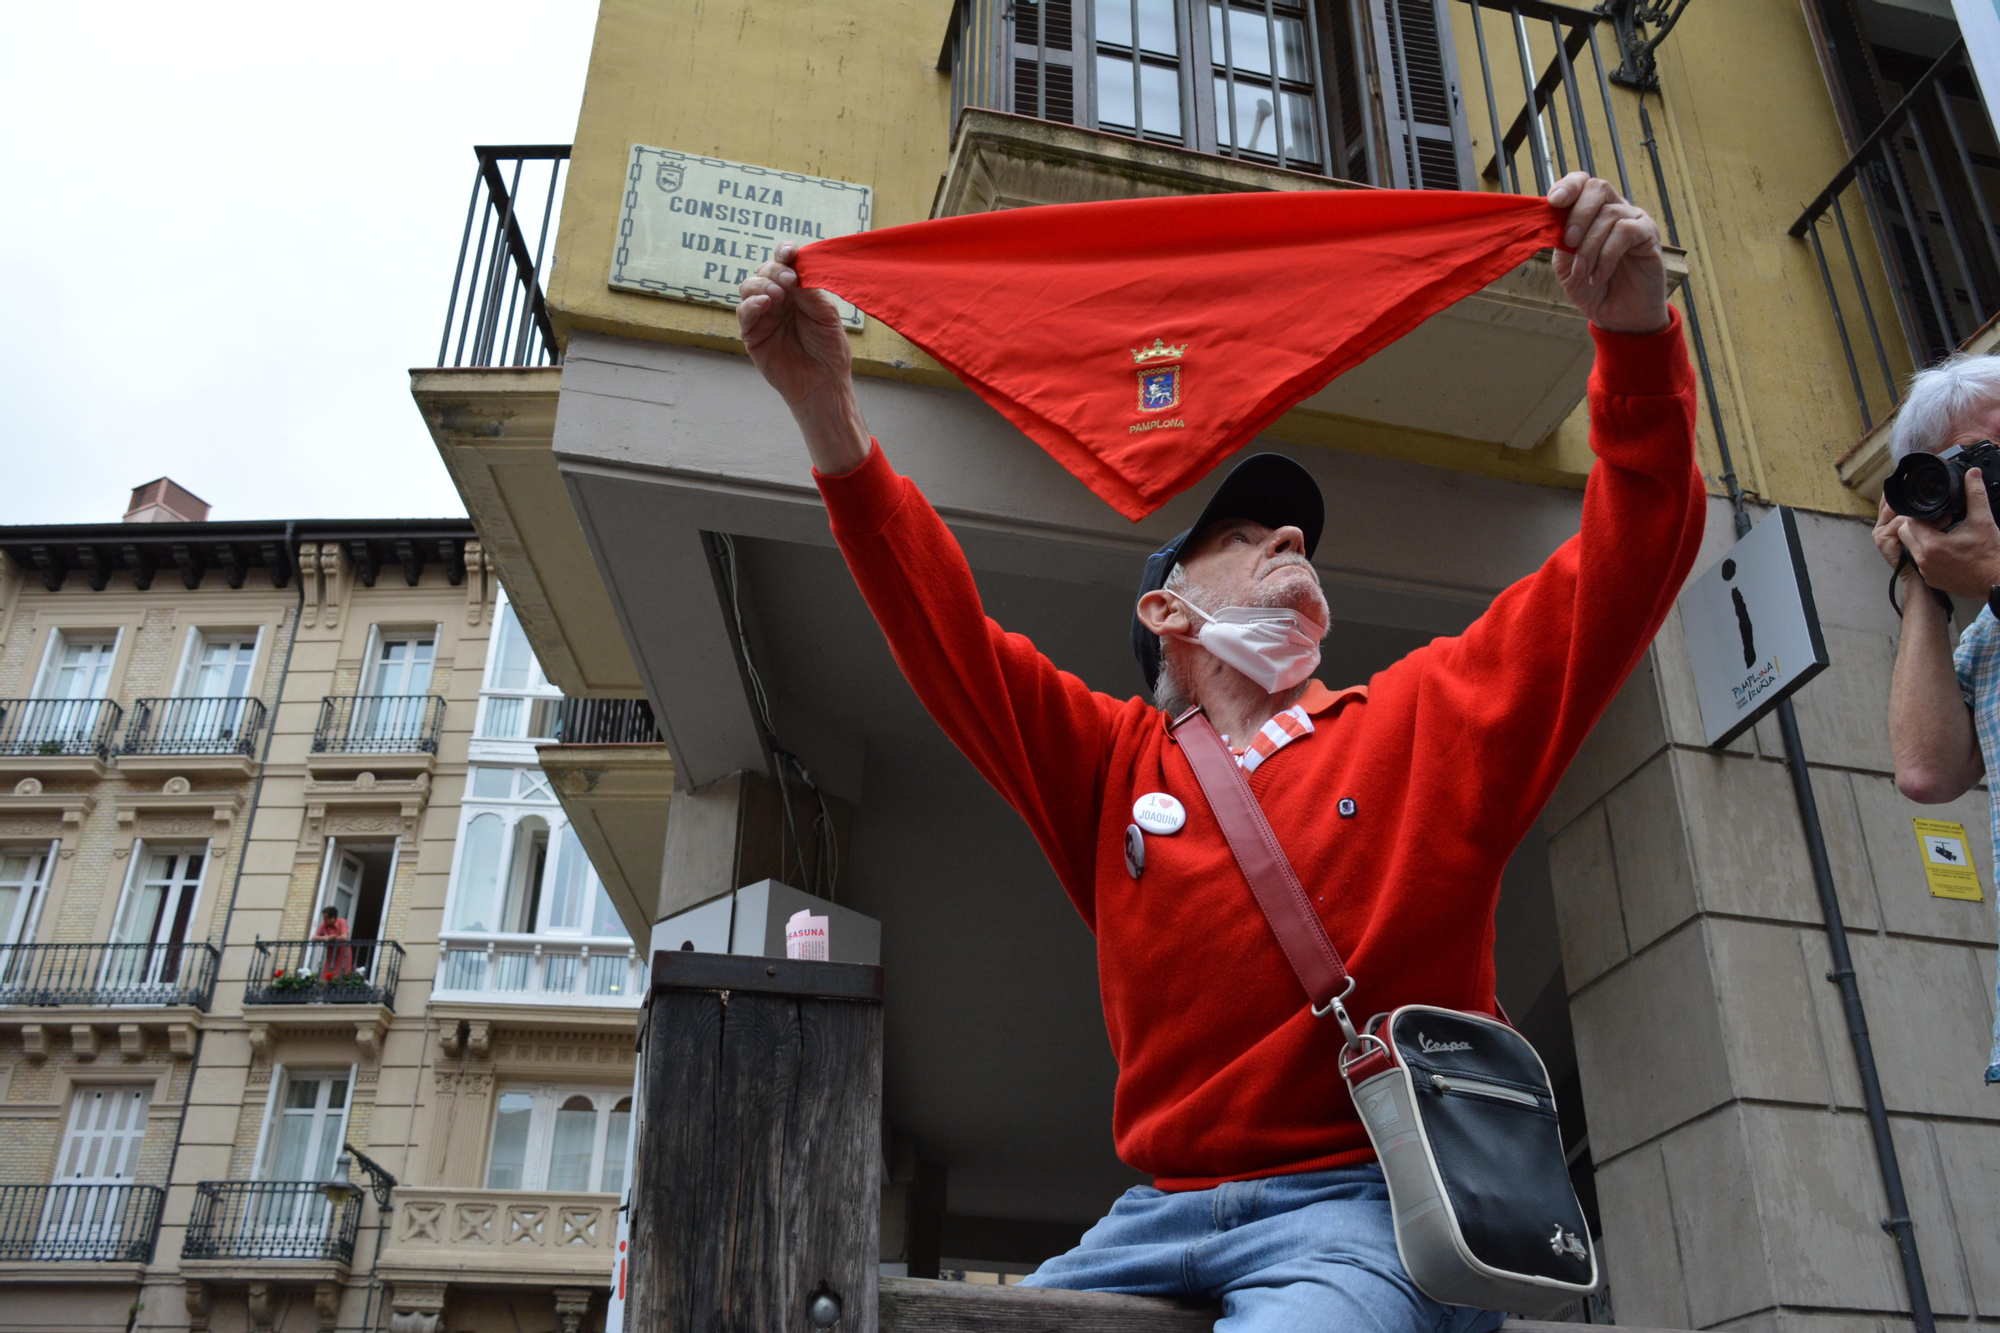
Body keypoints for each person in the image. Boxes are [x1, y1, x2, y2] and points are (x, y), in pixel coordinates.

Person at [737, 171, 1700, 1331]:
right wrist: (828, 419)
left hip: (1364, 1207)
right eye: (1245, 536)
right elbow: (945, 636)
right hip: (1154, 1213)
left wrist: (1632, 337)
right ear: (1166, 616)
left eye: (1289, 532)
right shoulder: (1108, 765)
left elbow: (1632, 548)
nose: (1291, 536)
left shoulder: (1424, 715)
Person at [1872, 350, 2000, 1086]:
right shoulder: (1988, 635)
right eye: (1957, 470)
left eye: (1991, 454)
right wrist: (1923, 585)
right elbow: (1926, 772)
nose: (1978, 482)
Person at [314, 904, 353, 981]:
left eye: (326, 918)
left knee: (342, 975)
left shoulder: (342, 922)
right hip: (331, 954)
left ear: (333, 918)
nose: (324, 920)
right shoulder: (324, 924)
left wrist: (334, 938)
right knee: (326, 976)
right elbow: (314, 938)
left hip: (343, 953)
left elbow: (345, 937)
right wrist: (327, 938)